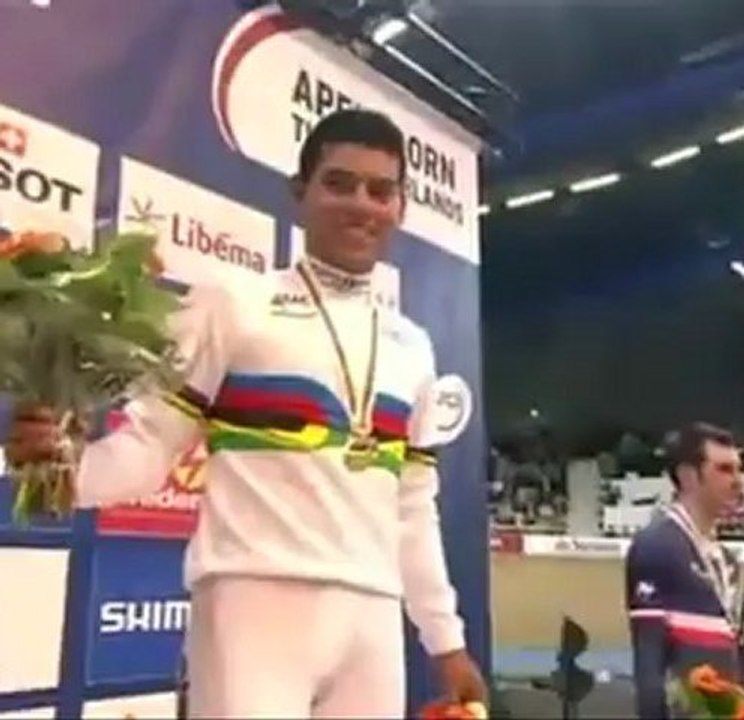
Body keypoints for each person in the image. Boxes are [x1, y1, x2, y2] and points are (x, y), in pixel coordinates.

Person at [4, 109, 486, 718]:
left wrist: (446, 641)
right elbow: (150, 446)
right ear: (300, 192)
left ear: (401, 206)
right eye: (339, 183)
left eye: (380, 190)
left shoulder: (413, 346)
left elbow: (413, 508)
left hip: (373, 616)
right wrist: (61, 471)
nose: (362, 204)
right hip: (252, 600)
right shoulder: (234, 302)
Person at [625, 422, 744, 719]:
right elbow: (649, 671)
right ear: (689, 476)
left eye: (739, 469)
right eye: (724, 469)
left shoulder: (726, 559)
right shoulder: (656, 546)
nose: (739, 481)